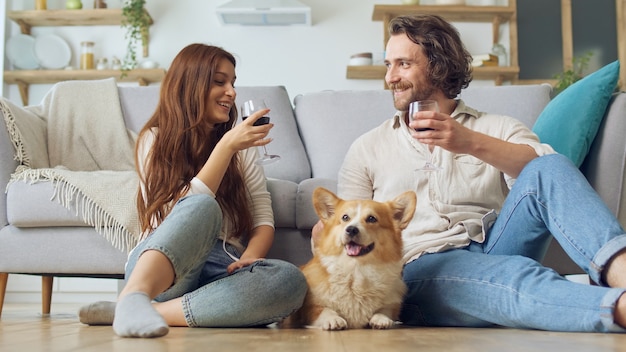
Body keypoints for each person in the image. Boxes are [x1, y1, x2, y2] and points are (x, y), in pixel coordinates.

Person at [331, 14, 626, 332]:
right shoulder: (368, 147)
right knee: (512, 275)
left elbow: (545, 177)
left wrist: (469, 142)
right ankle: (618, 308)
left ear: (437, 65)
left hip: (497, 244)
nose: (391, 77)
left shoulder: (496, 127)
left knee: (548, 165)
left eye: (403, 64)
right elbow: (347, 231)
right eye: (388, 65)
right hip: (421, 265)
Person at [79, 43, 307, 338]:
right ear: (190, 84)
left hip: (223, 271)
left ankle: (132, 306)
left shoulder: (241, 146)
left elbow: (262, 216)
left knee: (290, 280)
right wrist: (225, 148)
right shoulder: (155, 139)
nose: (232, 92)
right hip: (165, 265)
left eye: (233, 83)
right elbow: (178, 215)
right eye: (219, 81)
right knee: (203, 206)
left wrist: (248, 257)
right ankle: (139, 295)